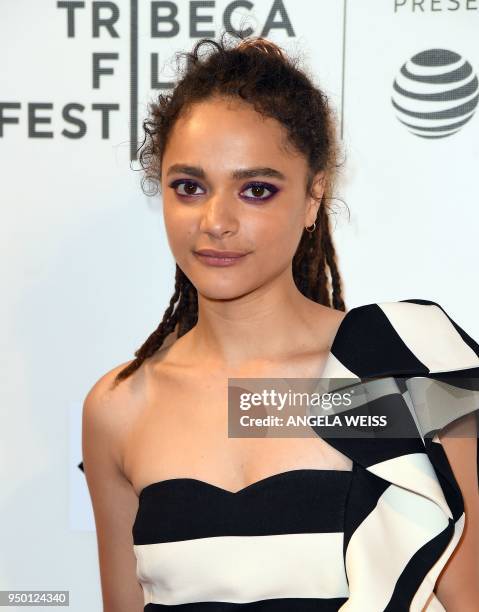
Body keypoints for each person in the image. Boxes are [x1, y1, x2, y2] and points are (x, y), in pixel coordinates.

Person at [80, 32, 479, 612]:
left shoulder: (398, 370)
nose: (216, 221)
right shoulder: (119, 407)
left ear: (314, 195)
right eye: (189, 187)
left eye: (256, 190)